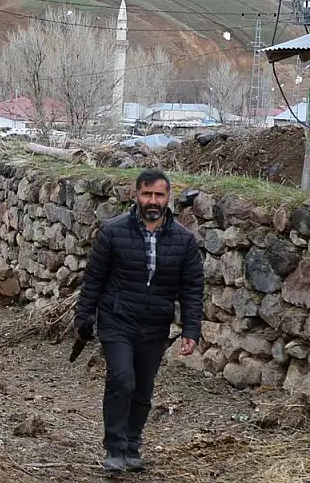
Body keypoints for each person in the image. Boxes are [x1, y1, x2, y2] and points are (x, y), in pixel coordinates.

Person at [75, 169, 203, 475]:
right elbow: (93, 279)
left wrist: (191, 329)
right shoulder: (113, 231)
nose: (153, 201)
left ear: (168, 197)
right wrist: (84, 318)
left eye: (159, 195)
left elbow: (192, 288)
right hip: (117, 319)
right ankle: (115, 449)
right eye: (147, 194)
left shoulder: (183, 241)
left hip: (155, 324)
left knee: (143, 390)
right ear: (136, 195)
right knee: (122, 379)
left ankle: (132, 445)